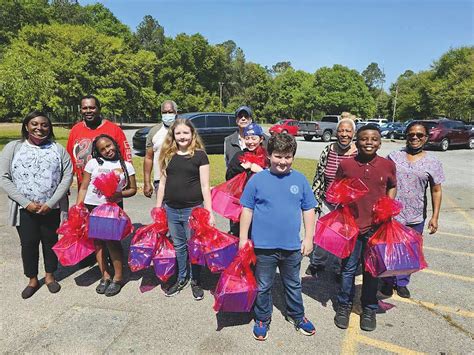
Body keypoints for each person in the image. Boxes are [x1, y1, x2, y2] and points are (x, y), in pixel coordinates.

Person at [239, 133, 317, 341]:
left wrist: (308, 238)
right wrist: (243, 238)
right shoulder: (258, 180)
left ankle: (296, 315)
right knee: (263, 285)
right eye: (278, 156)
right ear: (268, 155)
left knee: (293, 284)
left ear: (293, 156)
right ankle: (262, 317)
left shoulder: (299, 180)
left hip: (291, 246)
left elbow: (309, 209)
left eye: (287, 156)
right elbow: (247, 209)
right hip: (264, 247)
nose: (282, 161)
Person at [0, 111, 73, 299]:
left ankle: (50, 276)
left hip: (52, 208)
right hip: (25, 209)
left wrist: (51, 202)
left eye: (44, 125)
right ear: (26, 126)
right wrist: (26, 203)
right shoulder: (13, 148)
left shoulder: (57, 149)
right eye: (34, 124)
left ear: (50, 128)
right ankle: (32, 279)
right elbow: (4, 178)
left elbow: (67, 176)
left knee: (51, 242)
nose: (39, 128)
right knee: (28, 244)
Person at [333, 124, 397, 332]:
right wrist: (342, 203)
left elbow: (392, 186)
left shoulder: (387, 165)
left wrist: (388, 206)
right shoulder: (347, 165)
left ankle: (369, 307)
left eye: (374, 139)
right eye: (364, 139)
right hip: (351, 227)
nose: (369, 142)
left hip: (376, 227)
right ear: (356, 141)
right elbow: (336, 187)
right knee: (348, 269)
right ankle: (344, 305)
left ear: (380, 142)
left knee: (372, 271)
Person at [380, 121, 444, 299]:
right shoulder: (393, 156)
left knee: (409, 250)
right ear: (406, 135)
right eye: (411, 134)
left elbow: (436, 190)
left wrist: (435, 216)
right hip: (393, 212)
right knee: (390, 248)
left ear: (426, 138)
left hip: (415, 215)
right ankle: (387, 281)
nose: (415, 138)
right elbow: (382, 181)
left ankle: (402, 282)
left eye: (419, 135)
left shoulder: (433, 162)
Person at [156, 118, 214, 300]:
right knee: (179, 246)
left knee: (194, 247)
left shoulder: (199, 156)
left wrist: (209, 211)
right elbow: (163, 184)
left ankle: (196, 281)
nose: (182, 136)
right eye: (178, 133)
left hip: (193, 210)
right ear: (173, 135)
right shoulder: (167, 155)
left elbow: (205, 185)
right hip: (172, 210)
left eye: (185, 133)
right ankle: (182, 278)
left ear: (192, 134)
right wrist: (158, 208)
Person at [76, 134, 137, 297]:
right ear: (98, 152)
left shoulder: (126, 165)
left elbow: (133, 189)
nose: (107, 150)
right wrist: (78, 206)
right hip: (92, 206)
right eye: (102, 149)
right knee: (97, 243)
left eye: (109, 146)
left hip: (110, 208)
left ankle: (118, 277)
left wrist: (119, 195)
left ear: (115, 144)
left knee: (112, 243)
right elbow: (84, 186)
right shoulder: (93, 163)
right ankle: (105, 276)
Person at [307, 117, 358, 277]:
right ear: (336, 132)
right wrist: (315, 200)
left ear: (353, 133)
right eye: (341, 130)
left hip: (348, 205)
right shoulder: (329, 150)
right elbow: (319, 176)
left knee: (341, 237)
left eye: (348, 131)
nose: (344, 134)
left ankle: (338, 267)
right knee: (323, 234)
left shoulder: (358, 153)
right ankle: (317, 262)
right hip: (327, 201)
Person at [67, 95, 132, 187]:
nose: (88, 111)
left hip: (110, 188)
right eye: (85, 108)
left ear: (99, 109)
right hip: (84, 188)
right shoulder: (75, 130)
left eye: (92, 108)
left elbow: (126, 157)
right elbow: (69, 160)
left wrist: (126, 178)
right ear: (81, 110)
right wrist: (67, 183)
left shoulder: (114, 129)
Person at [225, 122, 268, 236]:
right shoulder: (239, 156)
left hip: (261, 205)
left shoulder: (267, 158)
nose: (250, 142)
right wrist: (242, 168)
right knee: (239, 235)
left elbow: (273, 180)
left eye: (253, 138)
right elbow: (229, 176)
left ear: (261, 139)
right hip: (241, 204)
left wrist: (258, 169)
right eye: (247, 138)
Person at [143, 100, 178, 197]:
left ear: (176, 112)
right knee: (162, 210)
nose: (167, 114)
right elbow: (148, 158)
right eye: (164, 112)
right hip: (160, 181)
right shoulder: (154, 131)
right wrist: (147, 182)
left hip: (182, 180)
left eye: (170, 112)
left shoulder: (182, 130)